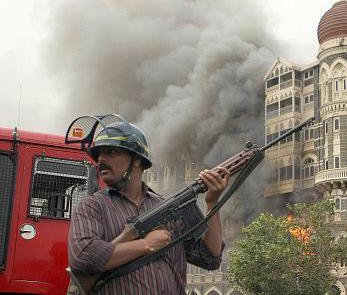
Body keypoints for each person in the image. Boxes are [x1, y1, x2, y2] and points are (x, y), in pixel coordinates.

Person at [68, 121, 229, 294]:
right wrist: (146, 244)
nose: (101, 159)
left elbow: (210, 259)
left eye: (111, 152)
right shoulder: (92, 206)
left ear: (136, 159)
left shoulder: (168, 207)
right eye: (99, 154)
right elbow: (83, 257)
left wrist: (213, 203)